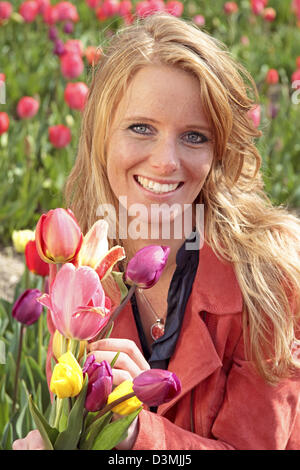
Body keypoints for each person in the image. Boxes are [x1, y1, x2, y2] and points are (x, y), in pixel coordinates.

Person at [13, 12, 300, 450]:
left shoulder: (267, 279)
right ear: (100, 135)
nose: (166, 161)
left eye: (194, 136)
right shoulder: (83, 268)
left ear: (219, 151)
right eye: (141, 128)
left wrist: (134, 434)